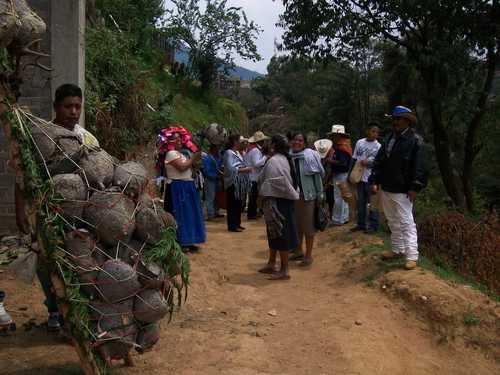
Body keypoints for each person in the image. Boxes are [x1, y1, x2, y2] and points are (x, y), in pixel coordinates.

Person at [369, 106, 427, 270]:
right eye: (393, 119)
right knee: (392, 220)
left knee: (406, 222)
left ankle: (412, 256)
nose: (395, 122)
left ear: (407, 121)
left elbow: (420, 166)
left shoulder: (415, 140)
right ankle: (397, 249)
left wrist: (415, 187)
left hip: (403, 189)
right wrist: (374, 180)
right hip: (387, 186)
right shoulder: (389, 139)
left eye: (398, 119)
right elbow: (379, 161)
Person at [258, 135, 299, 280]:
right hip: (281, 201)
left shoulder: (275, 161)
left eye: (269, 143)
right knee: (274, 233)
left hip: (278, 202)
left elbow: (271, 183)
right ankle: (271, 263)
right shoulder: (282, 159)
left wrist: (261, 197)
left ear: (274, 145)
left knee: (281, 235)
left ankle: (284, 269)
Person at [164, 132, 206, 251]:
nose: (179, 141)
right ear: (169, 142)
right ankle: (181, 242)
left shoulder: (181, 154)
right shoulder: (171, 154)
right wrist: (193, 158)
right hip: (178, 188)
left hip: (187, 186)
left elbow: (190, 166)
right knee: (180, 215)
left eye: (180, 139)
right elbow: (182, 167)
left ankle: (189, 241)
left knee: (189, 215)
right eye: (176, 139)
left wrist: (196, 159)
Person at [290, 133, 324, 266]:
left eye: (300, 140)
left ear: (304, 143)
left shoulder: (310, 156)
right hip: (295, 197)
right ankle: (298, 251)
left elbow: (317, 177)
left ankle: (308, 256)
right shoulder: (290, 157)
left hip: (309, 196)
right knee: (297, 225)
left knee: (308, 227)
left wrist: (320, 195)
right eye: (295, 140)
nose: (297, 142)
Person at [350, 124, 381, 233]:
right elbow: (354, 158)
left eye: (377, 132)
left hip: (371, 178)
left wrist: (369, 163)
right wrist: (350, 174)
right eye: (373, 131)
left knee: (373, 203)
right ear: (367, 131)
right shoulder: (360, 142)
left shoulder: (378, 146)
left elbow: (379, 163)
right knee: (360, 202)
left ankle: (373, 225)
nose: (375, 134)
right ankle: (361, 224)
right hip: (359, 177)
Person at [53, 84, 99, 148]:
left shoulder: (90, 141)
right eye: (68, 107)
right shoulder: (43, 134)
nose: (73, 112)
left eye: (78, 107)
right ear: (55, 107)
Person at [223, 135, 252, 232]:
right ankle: (232, 225)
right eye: (241, 141)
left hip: (240, 183)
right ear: (235, 142)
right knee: (232, 204)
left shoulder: (238, 153)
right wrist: (244, 170)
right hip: (233, 182)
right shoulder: (229, 153)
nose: (243, 143)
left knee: (239, 203)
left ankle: (237, 223)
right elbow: (230, 168)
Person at [325, 125, 352, 225]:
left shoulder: (342, 148)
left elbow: (343, 162)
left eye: (335, 136)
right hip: (342, 174)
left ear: (339, 136)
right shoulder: (343, 146)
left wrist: (330, 161)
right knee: (343, 196)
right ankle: (344, 218)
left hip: (341, 174)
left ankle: (337, 219)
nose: (333, 138)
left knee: (339, 197)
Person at [245, 131, 269, 220]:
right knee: (253, 197)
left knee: (253, 196)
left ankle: (252, 213)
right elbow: (256, 163)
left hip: (251, 176)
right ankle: (252, 214)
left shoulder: (251, 149)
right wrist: (265, 157)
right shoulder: (255, 150)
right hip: (253, 177)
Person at [202, 144, 223, 220]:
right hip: (210, 180)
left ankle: (216, 212)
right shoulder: (207, 158)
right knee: (210, 197)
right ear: (213, 149)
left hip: (217, 179)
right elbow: (206, 171)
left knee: (217, 197)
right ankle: (210, 214)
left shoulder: (218, 157)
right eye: (217, 148)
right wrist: (215, 176)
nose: (218, 150)